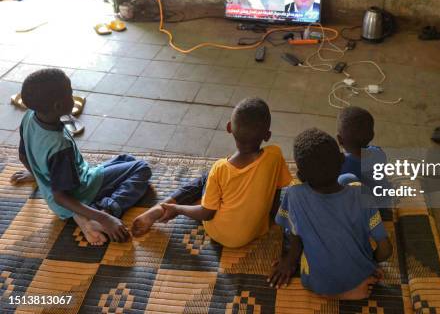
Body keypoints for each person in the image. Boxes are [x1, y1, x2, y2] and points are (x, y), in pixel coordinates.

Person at [10, 69, 151, 245]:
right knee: (142, 168)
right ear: (58, 106)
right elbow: (61, 196)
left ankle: (83, 213)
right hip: (79, 192)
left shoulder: (30, 116)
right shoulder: (60, 147)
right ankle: (99, 212)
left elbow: (23, 155)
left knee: (126, 160)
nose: (73, 96)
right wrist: (105, 218)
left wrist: (39, 175)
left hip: (61, 190)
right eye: (70, 93)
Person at [131, 97, 293, 248]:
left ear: (229, 127)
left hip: (221, 233)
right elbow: (276, 191)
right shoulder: (275, 154)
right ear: (267, 136)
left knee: (205, 179)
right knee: (218, 183)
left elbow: (206, 214)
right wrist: (270, 219)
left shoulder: (221, 168)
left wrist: (178, 209)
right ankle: (175, 204)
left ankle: (166, 206)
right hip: (256, 230)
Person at [268, 128, 393, 299]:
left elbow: (294, 234)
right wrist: (369, 262)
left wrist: (289, 261)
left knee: (346, 179)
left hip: (316, 281)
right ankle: (347, 291)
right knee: (348, 180)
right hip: (362, 273)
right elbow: (385, 249)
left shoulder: (294, 195)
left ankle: (336, 292)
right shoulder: (363, 195)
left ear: (300, 175)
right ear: (342, 159)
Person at [336, 106, 388, 190]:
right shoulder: (379, 153)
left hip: (359, 199)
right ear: (372, 136)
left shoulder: (339, 165)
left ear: (339, 140)